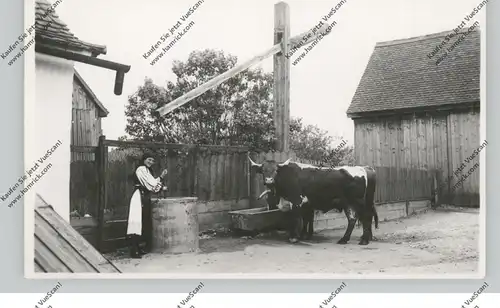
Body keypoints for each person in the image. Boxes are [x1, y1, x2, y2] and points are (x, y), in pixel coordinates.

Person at [126, 153, 168, 258]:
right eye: (149, 159)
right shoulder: (141, 169)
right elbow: (151, 184)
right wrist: (161, 185)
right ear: (144, 160)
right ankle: (134, 250)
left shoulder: (147, 170)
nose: (150, 162)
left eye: (152, 160)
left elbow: (153, 183)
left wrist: (161, 178)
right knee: (136, 222)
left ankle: (139, 248)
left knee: (143, 222)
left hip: (144, 196)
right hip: (138, 196)